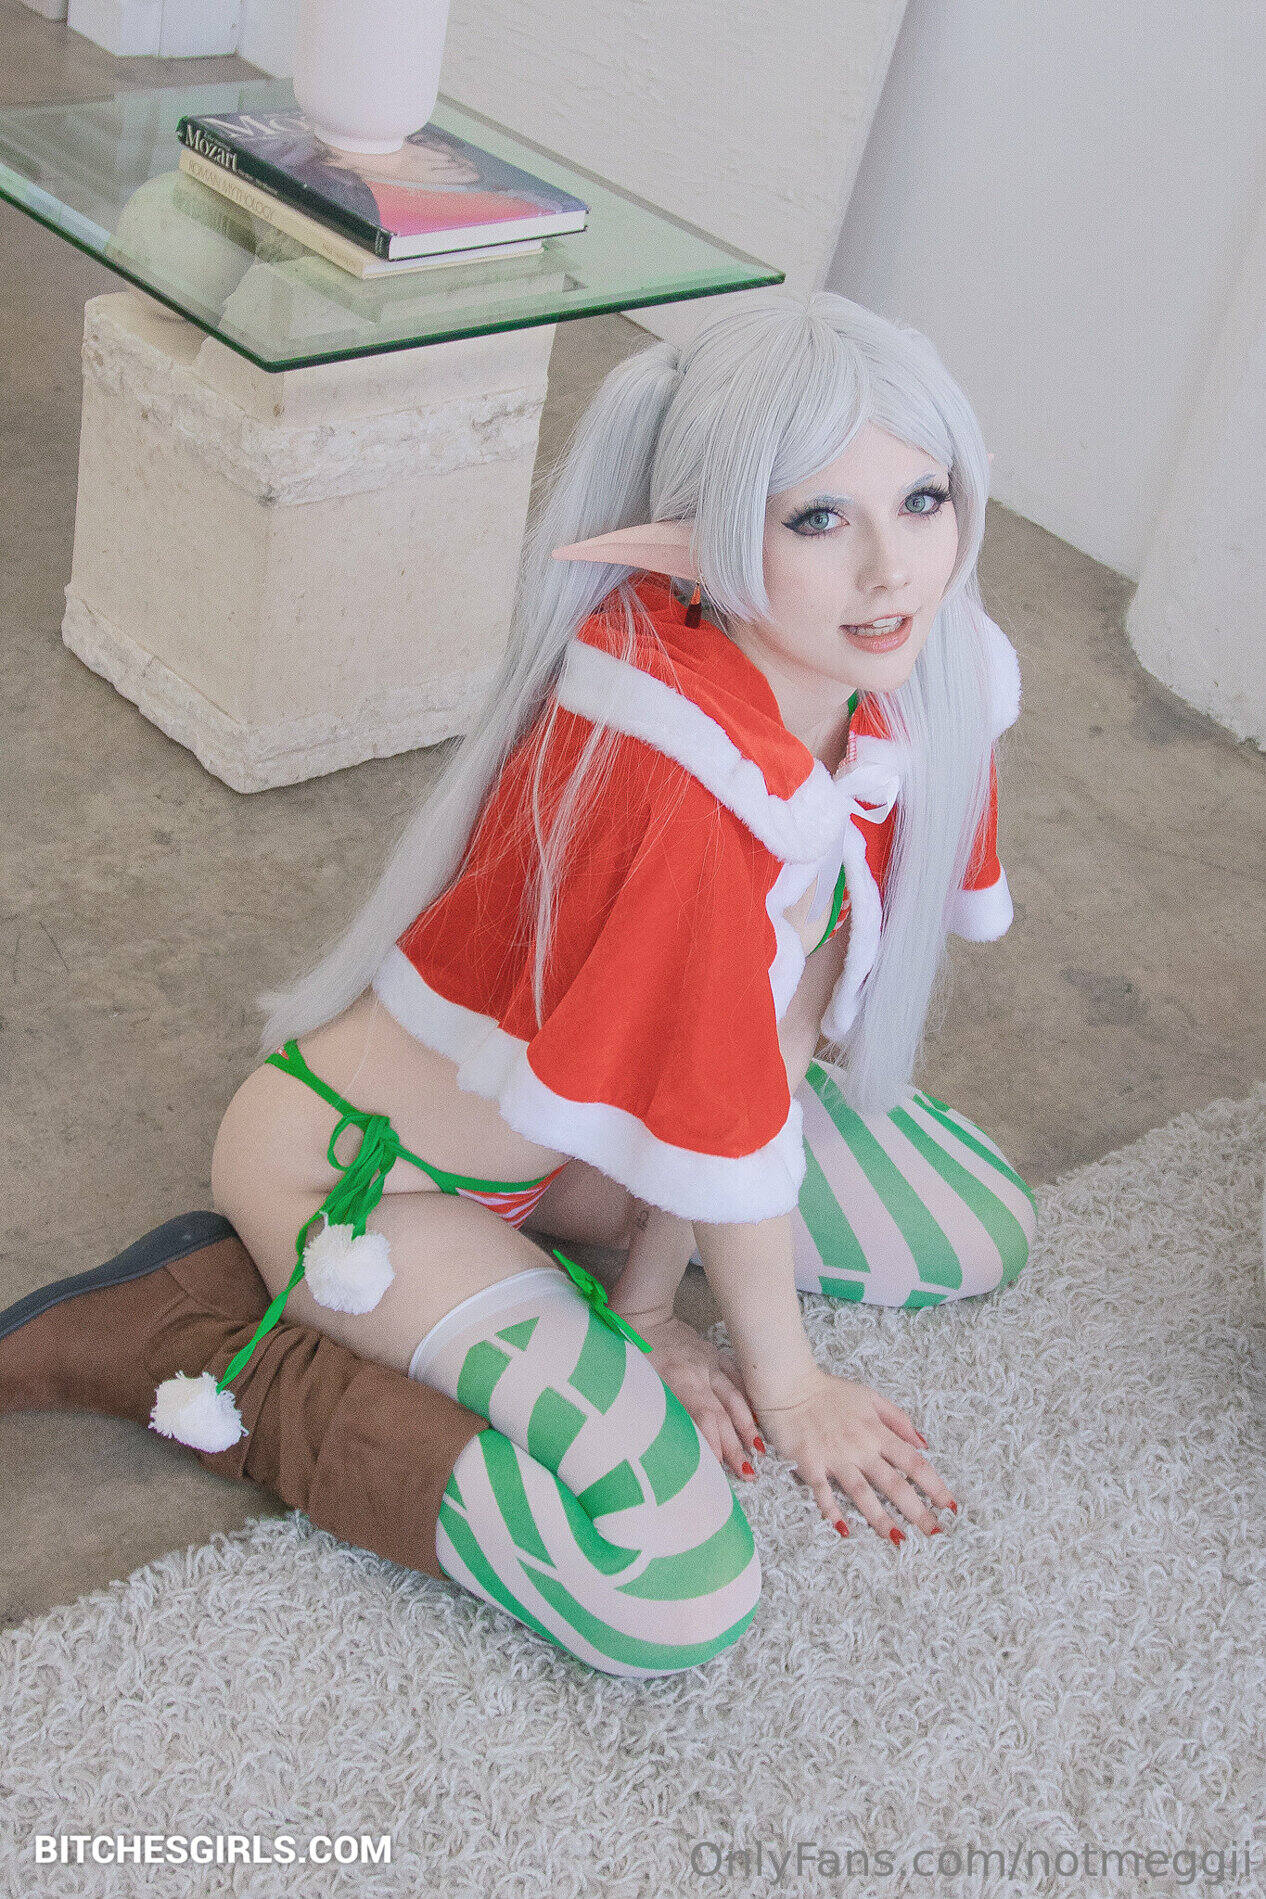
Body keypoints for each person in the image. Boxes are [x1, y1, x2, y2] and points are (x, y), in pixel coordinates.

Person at [0, 291, 1035, 1680]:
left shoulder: (884, 703)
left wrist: (653, 1311)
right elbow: (718, 1103)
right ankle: (201, 1337)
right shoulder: (674, 777)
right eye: (815, 520)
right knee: (671, 1589)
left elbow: (760, 1061)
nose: (889, 572)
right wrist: (787, 1389)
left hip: (588, 1154)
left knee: (974, 1227)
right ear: (699, 537)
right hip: (373, 1184)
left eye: (920, 499)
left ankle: (561, 1280)